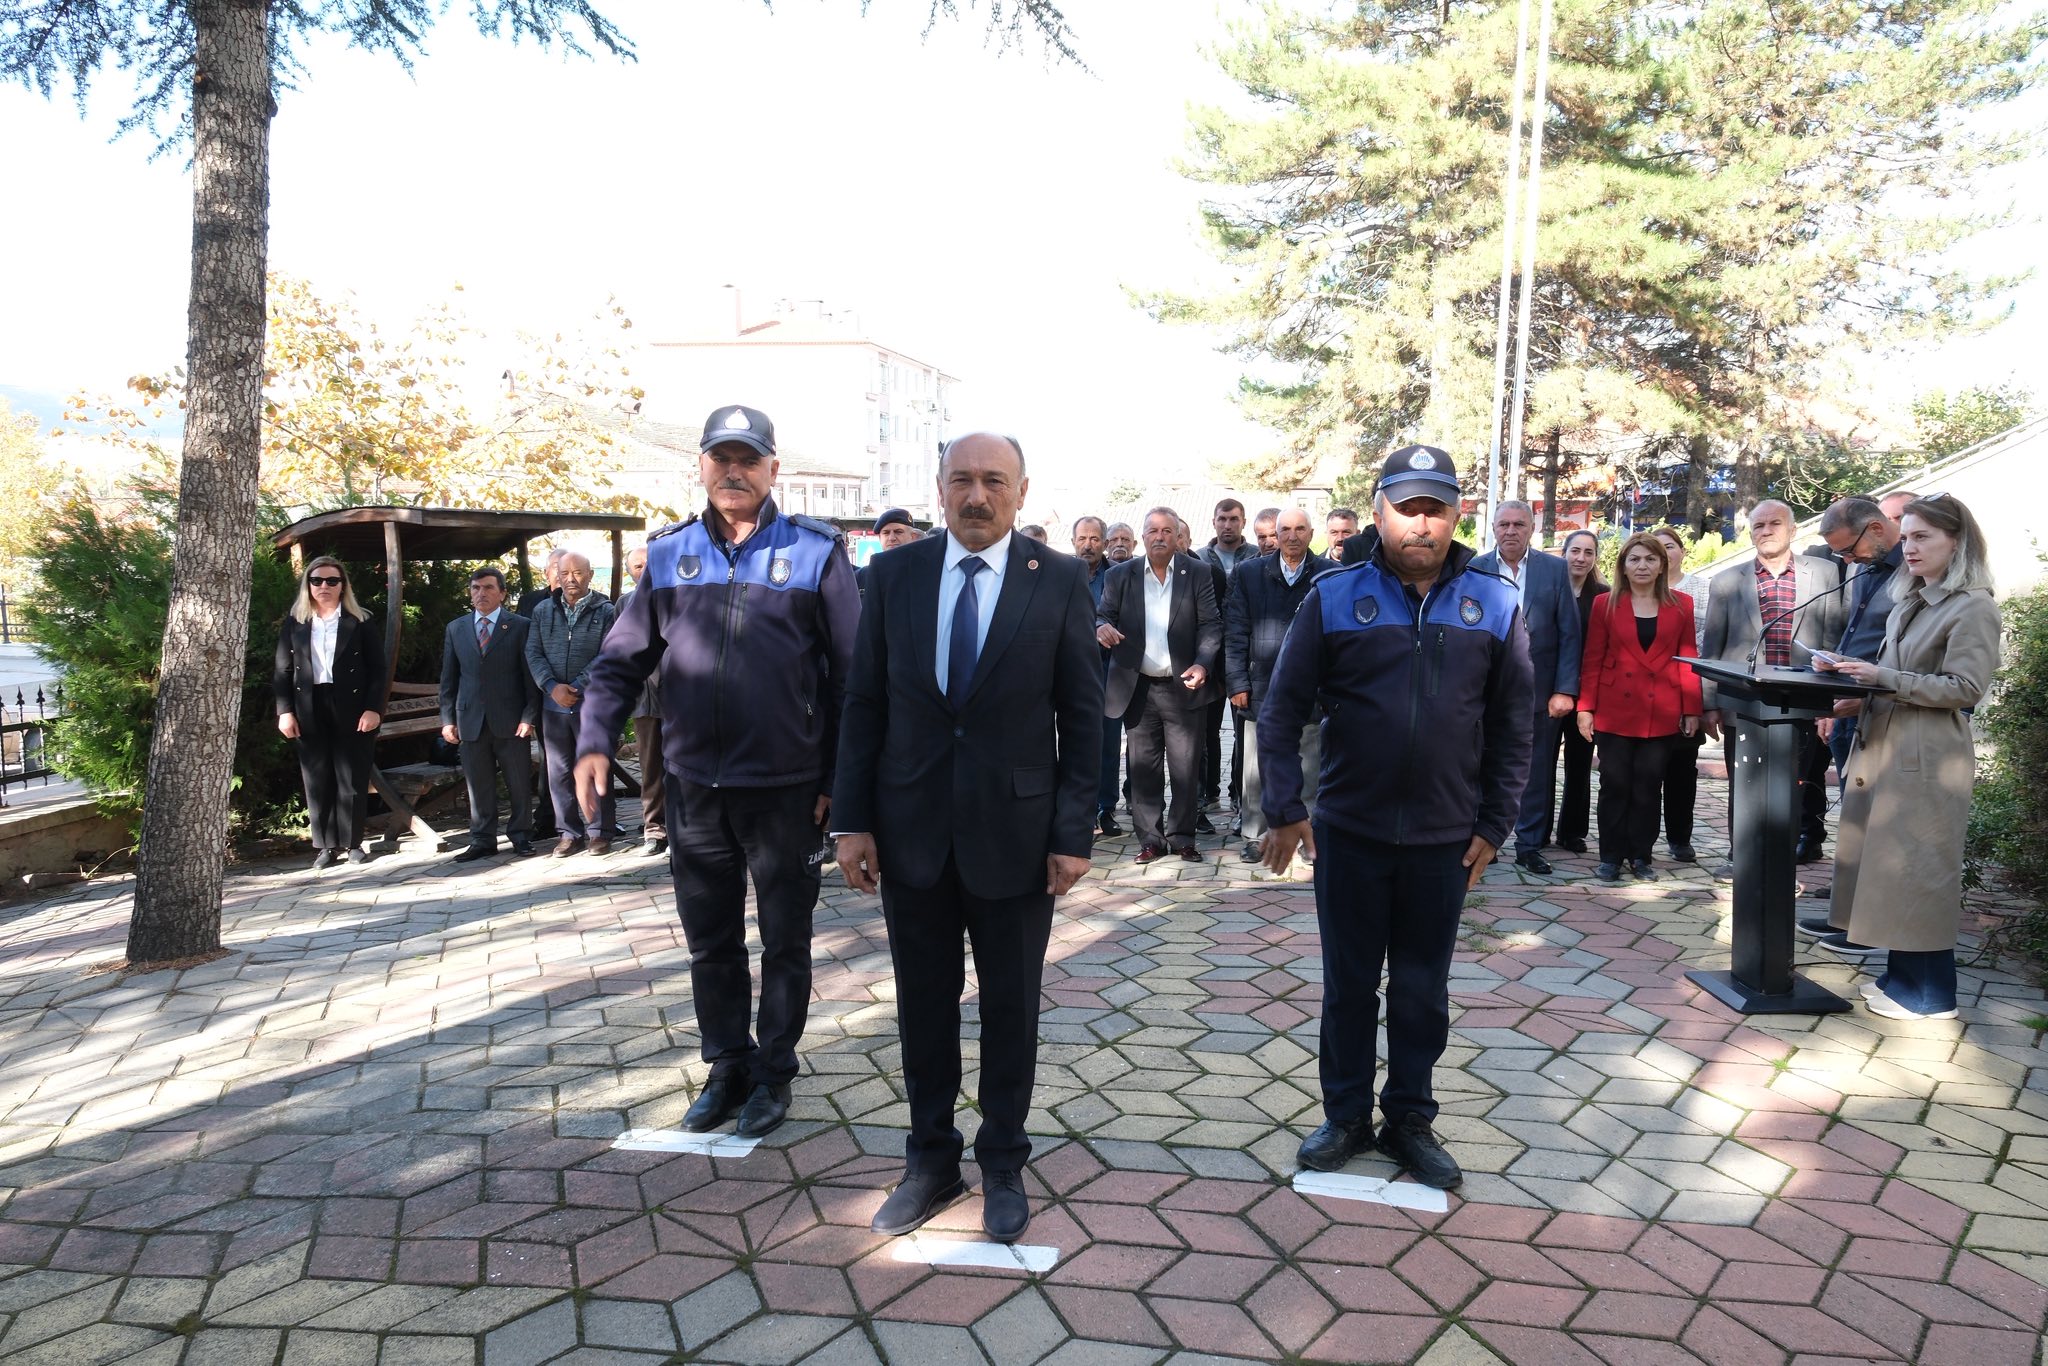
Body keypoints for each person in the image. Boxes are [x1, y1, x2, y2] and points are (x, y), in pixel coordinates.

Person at [834, 433, 1100, 1244]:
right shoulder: (893, 574)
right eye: (961, 480)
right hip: (909, 830)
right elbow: (865, 703)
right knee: (923, 1006)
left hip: (1019, 839)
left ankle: (1004, 1164)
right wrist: (852, 818)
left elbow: (1084, 715)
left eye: (994, 481)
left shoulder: (1058, 578)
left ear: (1022, 491)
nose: (976, 496)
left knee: (1011, 1008)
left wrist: (1073, 830)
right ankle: (930, 1161)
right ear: (939, 488)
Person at [575, 404, 860, 1140]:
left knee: (785, 940)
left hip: (789, 786)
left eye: (749, 459)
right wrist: (594, 737)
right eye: (720, 458)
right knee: (710, 941)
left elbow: (852, 679)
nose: (734, 471)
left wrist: (841, 780)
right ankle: (727, 1064)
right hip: (695, 785)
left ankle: (774, 1073)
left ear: (773, 469)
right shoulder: (668, 554)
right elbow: (618, 660)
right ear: (701, 466)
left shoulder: (816, 551)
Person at [1259, 445, 1533, 1189]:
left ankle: (1409, 1117)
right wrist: (1285, 806)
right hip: (1349, 832)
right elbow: (1281, 709)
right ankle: (1344, 1115)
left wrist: (1494, 825)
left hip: (1445, 840)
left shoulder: (1496, 603)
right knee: (1349, 985)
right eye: (1407, 507)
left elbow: (1514, 725)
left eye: (1436, 508)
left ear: (1456, 516)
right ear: (1379, 510)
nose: (1422, 523)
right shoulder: (1334, 595)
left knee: (1421, 990)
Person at [1813, 494, 2000, 1019]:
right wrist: (1862, 693)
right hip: (1891, 744)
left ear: (1957, 542)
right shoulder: (1914, 597)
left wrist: (1882, 679)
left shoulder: (1973, 606)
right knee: (1892, 869)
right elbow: (1905, 679)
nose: (1910, 547)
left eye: (1923, 537)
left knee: (1920, 870)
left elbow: (1965, 688)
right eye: (1908, 534)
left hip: (1927, 754)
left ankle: (1932, 995)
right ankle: (1901, 978)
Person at [1699, 499, 1845, 868]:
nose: (1766, 531)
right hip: (1743, 703)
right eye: (1758, 526)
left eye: (1774, 524)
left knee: (1793, 783)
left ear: (1793, 530)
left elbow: (1833, 641)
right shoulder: (1727, 582)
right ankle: (1742, 856)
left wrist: (1832, 702)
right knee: (1743, 784)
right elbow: (1712, 649)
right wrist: (1710, 703)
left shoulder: (1825, 574)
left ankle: (1781, 857)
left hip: (1801, 701)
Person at [1097, 507, 1222, 863]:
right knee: (1142, 767)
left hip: (1183, 685)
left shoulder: (1197, 573)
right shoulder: (1121, 575)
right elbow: (1103, 614)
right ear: (1144, 536)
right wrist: (1100, 627)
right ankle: (1150, 840)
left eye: (1167, 530)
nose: (1160, 537)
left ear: (1177, 535)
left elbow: (1212, 624)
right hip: (1137, 687)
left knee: (1185, 767)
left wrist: (1203, 662)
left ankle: (1183, 836)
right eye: (1153, 530)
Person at [1576, 534, 1703, 881]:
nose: (1642, 566)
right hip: (1615, 709)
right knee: (1614, 784)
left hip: (1660, 710)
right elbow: (1592, 660)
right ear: (1623, 566)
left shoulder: (1682, 605)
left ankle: (1641, 856)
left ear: (1662, 564)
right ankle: (1611, 857)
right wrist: (1585, 708)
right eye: (1634, 559)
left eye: (1650, 559)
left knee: (1649, 787)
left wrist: (1692, 709)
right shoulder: (1605, 604)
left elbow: (1688, 660)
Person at [1472, 500, 1581, 874]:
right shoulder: (1475, 568)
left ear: (1531, 528)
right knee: (1483, 765)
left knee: (1535, 770)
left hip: (1540, 690)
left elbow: (1570, 633)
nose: (1511, 531)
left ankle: (1530, 844)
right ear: (1493, 528)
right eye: (1504, 524)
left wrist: (1565, 689)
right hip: (1485, 689)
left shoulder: (1554, 570)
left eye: (1519, 524)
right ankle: (1484, 840)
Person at [1225, 508, 1333, 863]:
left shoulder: (1330, 575)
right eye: (1285, 529)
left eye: (1300, 529)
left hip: (1312, 688)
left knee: (1309, 766)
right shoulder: (1249, 573)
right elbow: (1236, 631)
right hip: (1260, 687)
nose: (1291, 536)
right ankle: (1256, 835)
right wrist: (1237, 681)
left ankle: (1307, 836)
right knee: (1256, 769)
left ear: (1311, 533)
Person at [273, 556, 387, 870]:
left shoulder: (360, 619)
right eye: (317, 580)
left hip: (352, 705)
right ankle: (325, 846)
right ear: (308, 585)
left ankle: (353, 843)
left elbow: (379, 669)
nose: (324, 586)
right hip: (309, 705)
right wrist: (285, 712)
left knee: (351, 776)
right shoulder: (296, 620)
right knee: (317, 778)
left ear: (343, 585)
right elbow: (282, 670)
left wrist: (373, 708)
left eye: (332, 581)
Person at [440, 567, 541, 862]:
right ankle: (482, 838)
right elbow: (449, 679)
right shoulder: (456, 628)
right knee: (478, 784)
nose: (480, 594)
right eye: (475, 588)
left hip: (510, 720)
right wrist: (447, 719)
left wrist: (528, 716)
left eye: (487, 588)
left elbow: (529, 678)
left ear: (503, 593)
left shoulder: (520, 626)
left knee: (519, 782)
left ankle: (521, 835)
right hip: (470, 719)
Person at [525, 552, 617, 856]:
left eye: (578, 573)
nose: (570, 579)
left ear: (590, 575)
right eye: (564, 573)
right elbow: (533, 652)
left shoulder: (606, 611)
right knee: (559, 771)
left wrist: (577, 685)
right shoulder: (542, 611)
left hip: (591, 703)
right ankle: (568, 832)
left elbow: (608, 654)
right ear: (556, 575)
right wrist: (552, 687)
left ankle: (599, 831)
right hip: (553, 705)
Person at [1813, 496, 1905, 795]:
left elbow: (1922, 660)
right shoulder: (1864, 565)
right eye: (1841, 555)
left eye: (1850, 550)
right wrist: (1834, 661)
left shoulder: (1916, 570)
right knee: (1853, 819)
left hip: (1888, 716)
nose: (1848, 560)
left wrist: (1872, 700)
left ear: (1876, 528)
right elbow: (1857, 632)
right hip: (1846, 710)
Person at [1651, 525, 1711, 862]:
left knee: (1682, 771)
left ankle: (1679, 838)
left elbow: (1710, 639)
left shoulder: (1701, 590)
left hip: (1689, 688)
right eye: (1657, 547)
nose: (1664, 553)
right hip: (1648, 695)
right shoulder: (1637, 589)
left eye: (1670, 546)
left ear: (1681, 552)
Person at [1199, 498, 1253, 823]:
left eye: (1233, 519)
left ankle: (1238, 792)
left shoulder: (1257, 558)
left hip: (1242, 660)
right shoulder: (1200, 559)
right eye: (1222, 519)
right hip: (1207, 659)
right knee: (1207, 731)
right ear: (1214, 521)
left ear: (1242, 521)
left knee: (1243, 730)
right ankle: (1208, 792)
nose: (1227, 525)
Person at [1552, 531, 1606, 855]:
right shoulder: (1549, 590)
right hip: (1550, 692)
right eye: (1575, 550)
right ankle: (1536, 829)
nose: (1581, 558)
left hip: (1586, 695)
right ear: (1565, 553)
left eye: (1588, 552)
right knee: (1540, 765)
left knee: (1580, 763)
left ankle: (1573, 831)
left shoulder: (1603, 596)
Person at [1074, 514, 1126, 836]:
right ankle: (1079, 809)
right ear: (1074, 542)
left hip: (1110, 669)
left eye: (1095, 539)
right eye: (1082, 538)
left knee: (1109, 743)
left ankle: (1106, 808)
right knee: (1075, 742)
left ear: (1105, 543)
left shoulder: (1118, 576)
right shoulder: (1063, 574)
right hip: (1074, 669)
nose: (1088, 545)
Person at [619, 546, 667, 857]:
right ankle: (655, 829)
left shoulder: (678, 594)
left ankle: (685, 828)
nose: (644, 569)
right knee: (650, 769)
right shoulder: (624, 603)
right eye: (637, 566)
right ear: (630, 572)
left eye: (648, 563)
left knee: (683, 767)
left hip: (681, 698)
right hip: (645, 700)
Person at [516, 548, 566, 618]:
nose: (563, 573)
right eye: (557, 567)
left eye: (568, 568)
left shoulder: (584, 601)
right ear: (546, 573)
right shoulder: (527, 602)